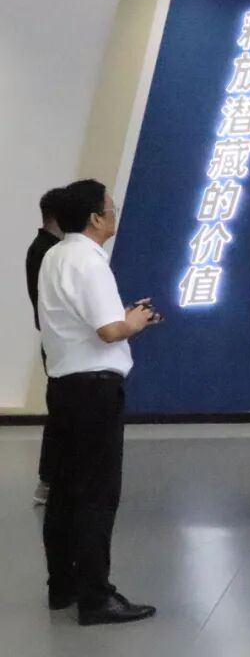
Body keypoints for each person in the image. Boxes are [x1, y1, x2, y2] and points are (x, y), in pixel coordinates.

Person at [38, 179, 158, 625]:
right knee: (97, 494)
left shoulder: (55, 256)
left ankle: (62, 586)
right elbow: (110, 330)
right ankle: (96, 596)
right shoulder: (90, 262)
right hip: (94, 390)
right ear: (95, 218)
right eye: (110, 207)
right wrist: (136, 320)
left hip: (64, 385)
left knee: (65, 491)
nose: (114, 212)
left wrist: (123, 318)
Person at [26, 187, 66, 506]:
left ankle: (52, 480)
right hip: (58, 343)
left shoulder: (45, 248)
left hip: (55, 341)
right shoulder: (48, 252)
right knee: (61, 411)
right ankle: (50, 480)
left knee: (61, 410)